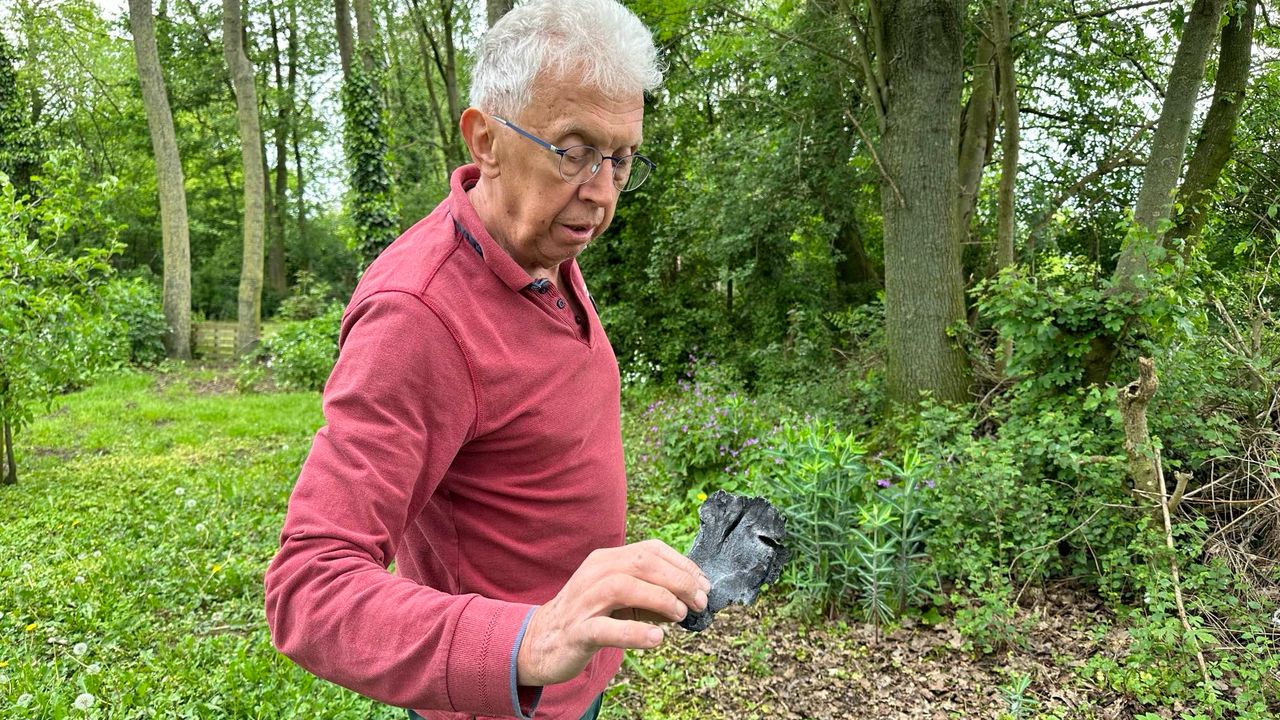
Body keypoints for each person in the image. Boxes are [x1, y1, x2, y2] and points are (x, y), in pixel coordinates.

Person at [263, 2, 710, 719]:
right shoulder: (418, 314)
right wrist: (529, 641)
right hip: (501, 700)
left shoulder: (541, 240)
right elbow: (308, 588)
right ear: (487, 140)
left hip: (573, 681)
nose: (600, 192)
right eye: (572, 150)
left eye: (621, 158)